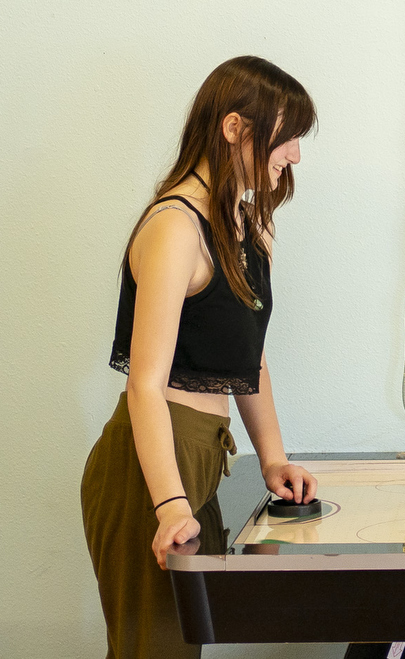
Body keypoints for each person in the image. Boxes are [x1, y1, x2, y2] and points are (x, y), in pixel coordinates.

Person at [81, 56, 320, 659]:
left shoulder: (244, 225)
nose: (294, 155)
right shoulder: (175, 226)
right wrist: (169, 505)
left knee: (179, 649)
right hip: (154, 461)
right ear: (236, 128)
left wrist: (274, 461)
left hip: (204, 455)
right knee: (152, 651)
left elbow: (250, 361)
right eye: (286, 137)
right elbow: (145, 384)